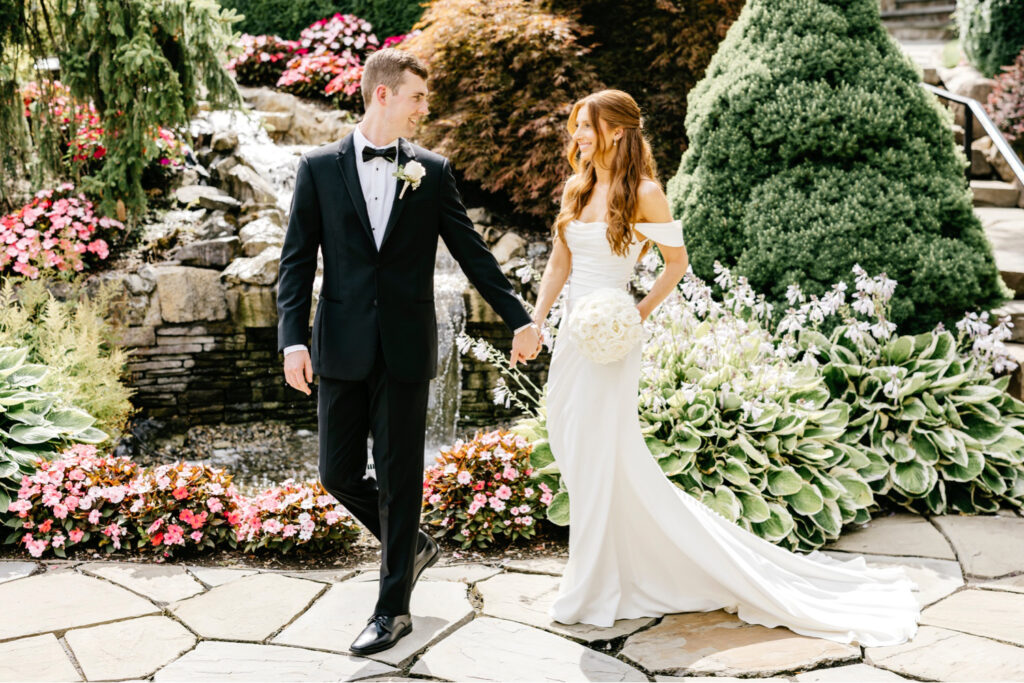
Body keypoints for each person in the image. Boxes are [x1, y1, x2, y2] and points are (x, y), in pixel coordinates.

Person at [527, 89, 921, 646]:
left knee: (600, 448)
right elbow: (561, 260)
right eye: (576, 127)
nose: (579, 136)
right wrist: (537, 320)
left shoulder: (645, 193)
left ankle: (591, 584)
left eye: (587, 126)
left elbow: (676, 263)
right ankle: (610, 566)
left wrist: (634, 312)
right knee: (572, 444)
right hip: (574, 335)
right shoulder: (577, 185)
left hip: (615, 336)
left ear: (616, 130)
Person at [276, 48, 543, 655]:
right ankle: (414, 545)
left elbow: (475, 254)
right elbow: (296, 263)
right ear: (383, 95)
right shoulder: (317, 168)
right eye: (419, 96)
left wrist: (520, 319)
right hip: (338, 345)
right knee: (336, 473)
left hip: (403, 348)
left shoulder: (433, 171)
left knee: (401, 477)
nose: (427, 106)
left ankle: (391, 607)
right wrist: (292, 339)